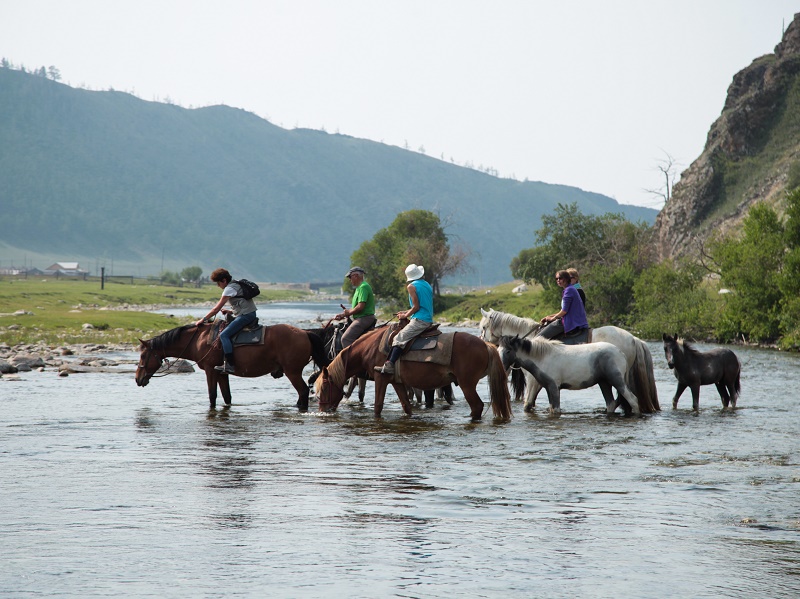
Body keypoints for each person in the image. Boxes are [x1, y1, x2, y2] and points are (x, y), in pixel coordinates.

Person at [195, 268, 257, 374]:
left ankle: (230, 365)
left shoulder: (229, 289)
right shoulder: (236, 284)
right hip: (248, 313)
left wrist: (203, 319)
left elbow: (216, 309)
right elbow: (241, 303)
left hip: (246, 316)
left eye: (218, 283)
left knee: (224, 335)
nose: (218, 286)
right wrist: (230, 311)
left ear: (224, 280)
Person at [376, 263, 434, 375]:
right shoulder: (427, 284)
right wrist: (406, 312)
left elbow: (416, 307)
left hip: (420, 320)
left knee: (398, 338)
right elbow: (421, 306)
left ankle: (389, 365)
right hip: (428, 318)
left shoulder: (411, 286)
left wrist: (404, 316)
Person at [538, 269, 588, 340]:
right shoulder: (570, 289)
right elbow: (565, 310)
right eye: (556, 278)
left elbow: (564, 311)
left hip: (570, 321)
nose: (558, 280)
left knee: (538, 338)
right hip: (570, 318)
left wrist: (552, 318)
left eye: (560, 278)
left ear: (567, 279)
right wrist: (548, 317)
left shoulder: (569, 290)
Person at [335, 266, 377, 348]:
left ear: (356, 276)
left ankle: (353, 360)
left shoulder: (363, 287)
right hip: (361, 317)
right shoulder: (359, 288)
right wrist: (343, 315)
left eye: (350, 277)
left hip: (364, 318)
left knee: (345, 339)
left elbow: (360, 307)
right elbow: (357, 307)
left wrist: (349, 312)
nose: (350, 280)